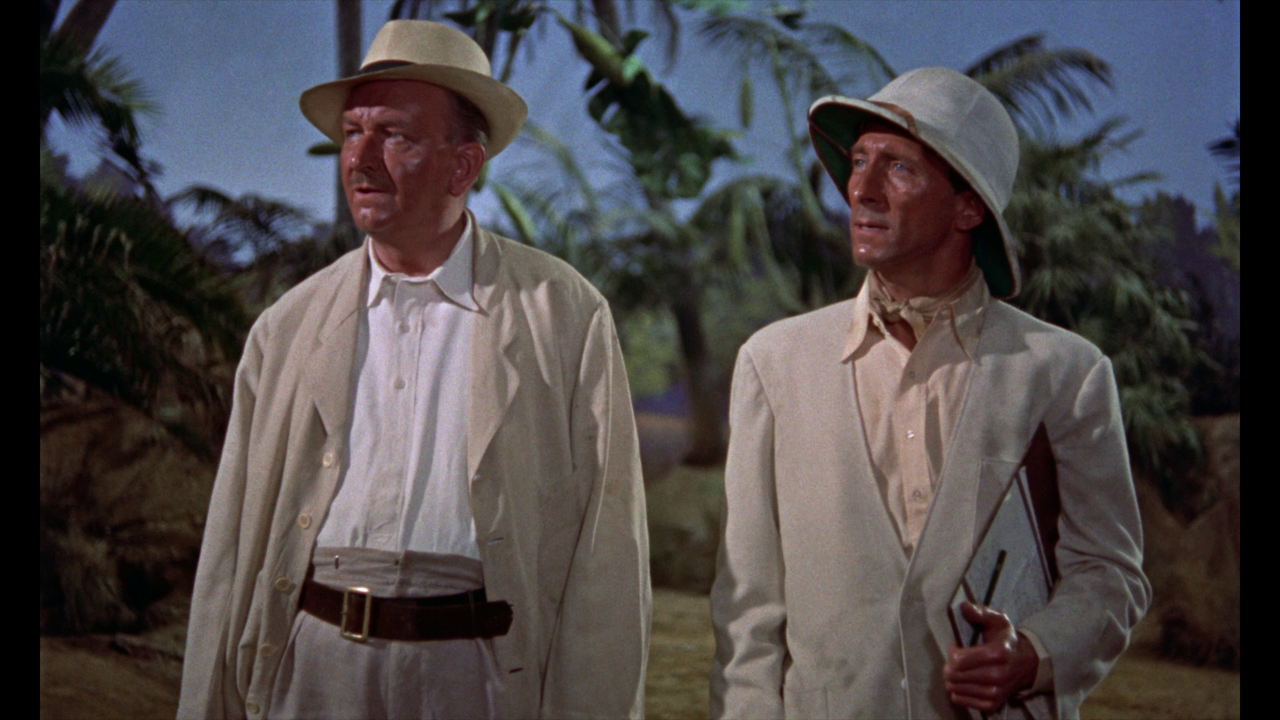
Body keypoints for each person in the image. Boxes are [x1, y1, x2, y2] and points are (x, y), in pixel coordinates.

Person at [177, 20, 650, 720]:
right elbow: (229, 547)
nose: (360, 159)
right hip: (316, 669)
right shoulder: (288, 327)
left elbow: (609, 550)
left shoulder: (564, 315)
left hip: (478, 676)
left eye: (394, 135)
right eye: (352, 133)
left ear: (464, 166)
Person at [709, 67, 1149, 719]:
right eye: (860, 160)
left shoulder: (1063, 371)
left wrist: (1034, 654)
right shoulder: (773, 362)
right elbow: (747, 613)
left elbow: (1110, 574)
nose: (861, 189)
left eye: (899, 168)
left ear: (968, 207)